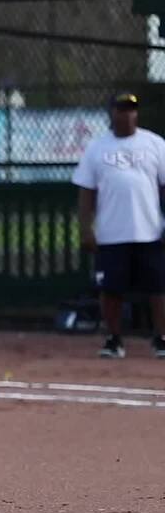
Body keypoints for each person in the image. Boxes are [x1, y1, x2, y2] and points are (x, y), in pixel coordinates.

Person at [73, 92, 165, 359]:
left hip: (149, 231)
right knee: (110, 289)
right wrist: (85, 229)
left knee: (158, 287)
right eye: (121, 109)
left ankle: (161, 338)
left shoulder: (155, 144)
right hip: (112, 233)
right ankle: (114, 339)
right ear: (111, 113)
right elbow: (86, 192)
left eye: (131, 109)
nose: (126, 114)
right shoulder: (97, 149)